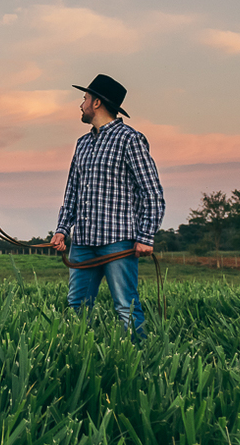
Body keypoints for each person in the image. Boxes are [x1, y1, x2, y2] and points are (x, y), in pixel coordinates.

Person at [49, 74, 165, 339]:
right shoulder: (82, 144)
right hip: (83, 242)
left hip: (118, 241)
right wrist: (62, 229)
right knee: (76, 306)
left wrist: (146, 236)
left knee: (126, 306)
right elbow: (72, 193)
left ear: (97, 103)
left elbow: (152, 192)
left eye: (85, 98)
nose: (81, 104)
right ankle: (80, 356)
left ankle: (137, 361)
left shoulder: (130, 140)